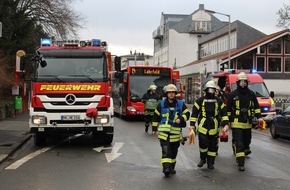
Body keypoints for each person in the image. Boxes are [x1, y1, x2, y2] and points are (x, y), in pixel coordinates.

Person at [226, 72, 263, 171]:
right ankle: (241, 163)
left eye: (244, 81)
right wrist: (227, 122)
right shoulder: (232, 95)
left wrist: (259, 117)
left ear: (247, 82)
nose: (243, 83)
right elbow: (228, 110)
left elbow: (256, 107)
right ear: (237, 82)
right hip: (236, 122)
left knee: (247, 142)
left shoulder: (251, 94)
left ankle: (241, 150)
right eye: (241, 81)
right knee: (239, 143)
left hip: (247, 123)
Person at [152, 84, 190, 177]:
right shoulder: (161, 104)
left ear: (175, 93)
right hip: (164, 134)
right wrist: (154, 129)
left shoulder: (181, 104)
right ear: (166, 94)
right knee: (165, 151)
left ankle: (172, 167)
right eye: (169, 93)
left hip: (175, 134)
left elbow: (187, 114)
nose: (171, 94)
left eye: (173, 92)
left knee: (173, 152)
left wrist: (181, 119)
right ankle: (166, 169)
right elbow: (156, 116)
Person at [190, 80, 229, 170]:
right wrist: (192, 125)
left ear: (215, 90)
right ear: (206, 90)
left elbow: (224, 113)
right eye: (209, 89)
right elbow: (194, 114)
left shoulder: (219, 101)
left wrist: (226, 125)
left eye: (213, 89)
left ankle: (211, 163)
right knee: (203, 145)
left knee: (213, 146)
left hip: (214, 126)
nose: (211, 91)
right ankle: (203, 159)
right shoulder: (200, 101)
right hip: (203, 126)